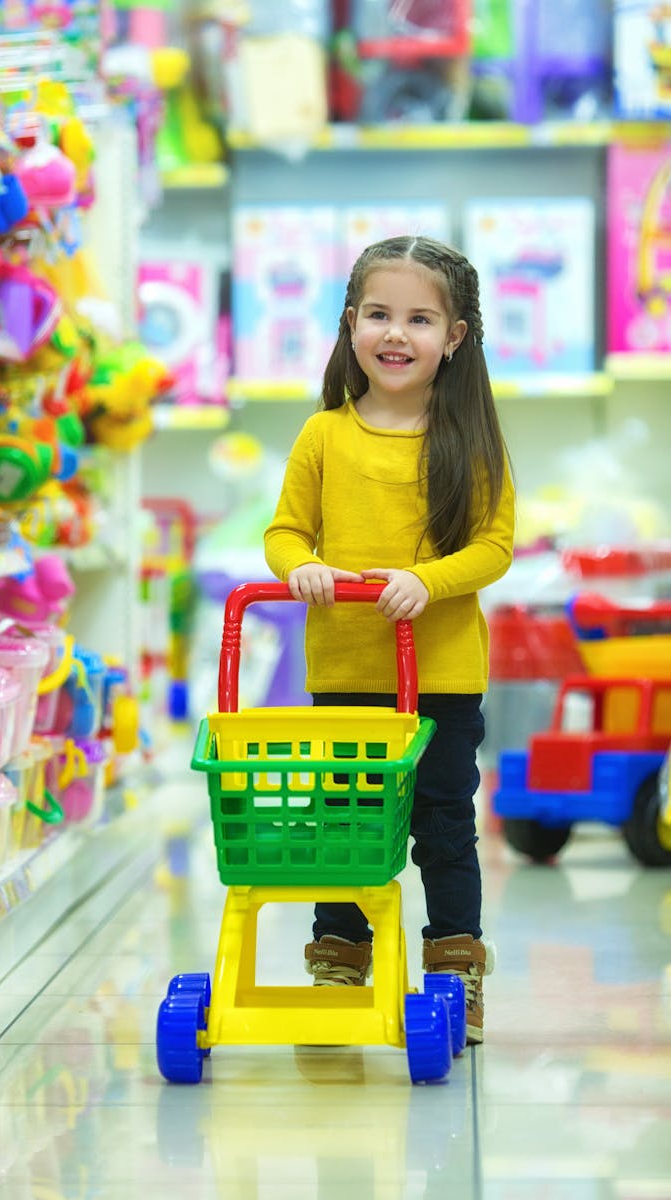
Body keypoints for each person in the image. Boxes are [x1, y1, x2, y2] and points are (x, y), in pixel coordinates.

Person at [264, 234, 515, 1044]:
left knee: (443, 824)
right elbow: (284, 531)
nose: (395, 334)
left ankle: (455, 970)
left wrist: (427, 578)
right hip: (345, 670)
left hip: (441, 675)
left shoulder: (468, 438)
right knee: (342, 822)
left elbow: (493, 545)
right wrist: (302, 565)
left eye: (419, 318)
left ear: (456, 338)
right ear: (350, 325)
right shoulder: (323, 436)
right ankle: (340, 961)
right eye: (378, 314)